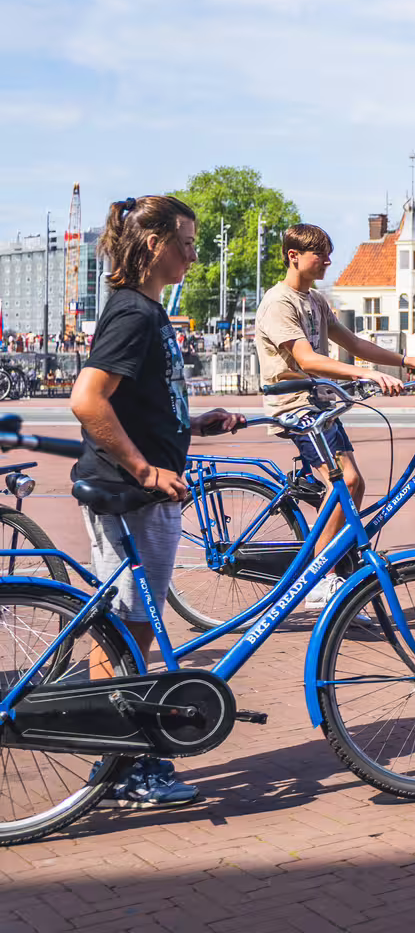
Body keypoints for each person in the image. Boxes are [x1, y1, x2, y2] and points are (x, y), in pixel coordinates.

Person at [69, 196, 247, 807]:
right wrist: (146, 470)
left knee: (135, 630)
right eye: (187, 243)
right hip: (130, 494)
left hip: (142, 490)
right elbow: (88, 399)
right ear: (154, 246)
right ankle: (118, 767)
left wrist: (193, 424)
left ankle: (121, 759)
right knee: (124, 633)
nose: (195, 255)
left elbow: (140, 403)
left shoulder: (146, 311)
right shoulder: (135, 315)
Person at [254, 223, 415, 609]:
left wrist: (406, 361)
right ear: (294, 256)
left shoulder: (316, 301)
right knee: (350, 482)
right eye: (319, 254)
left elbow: (352, 342)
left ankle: (339, 587)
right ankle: (317, 578)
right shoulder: (280, 303)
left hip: (320, 406)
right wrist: (365, 373)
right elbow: (306, 359)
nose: (327, 260)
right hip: (296, 406)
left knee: (352, 489)